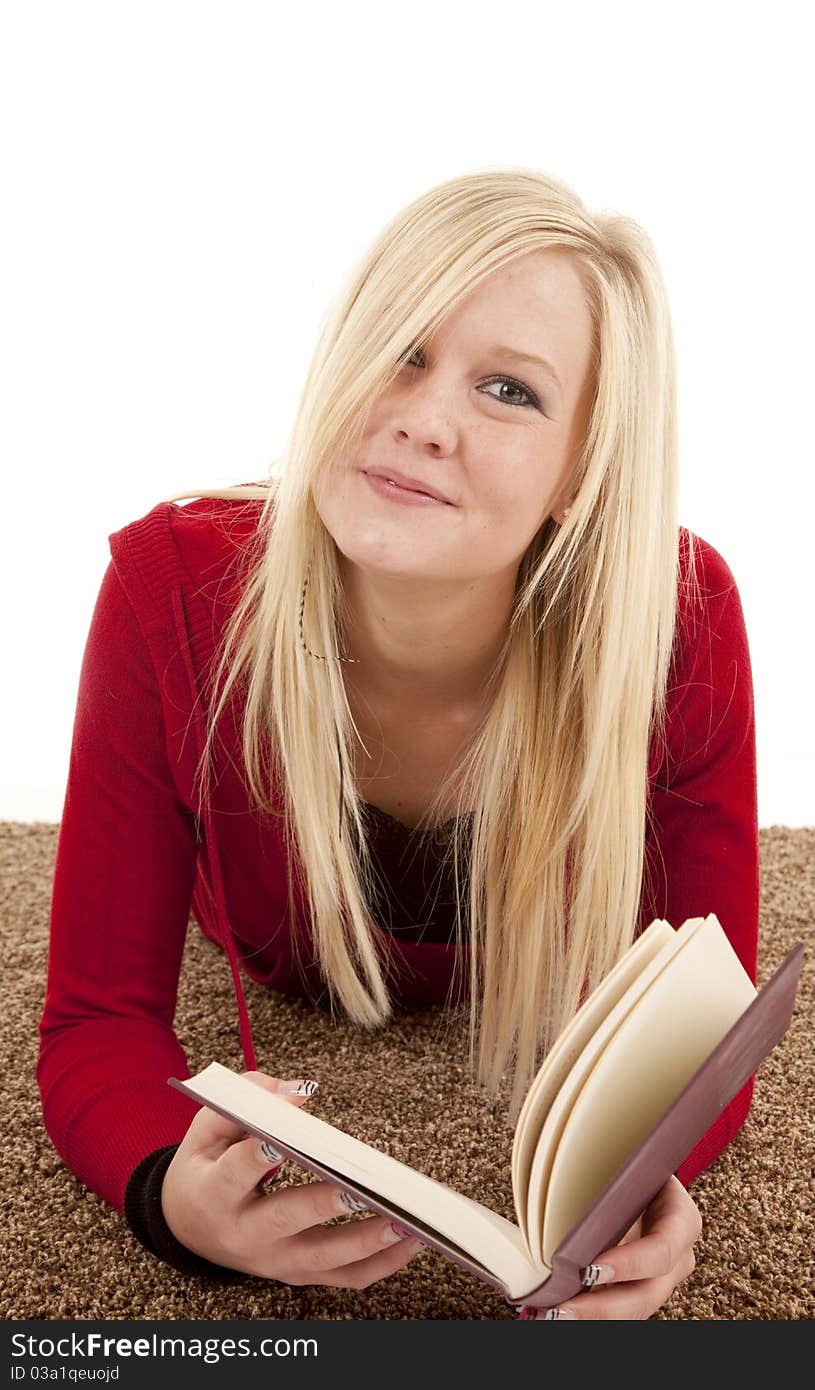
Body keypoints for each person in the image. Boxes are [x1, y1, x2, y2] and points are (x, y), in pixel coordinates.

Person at [37, 167, 759, 1320]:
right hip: (285, 969)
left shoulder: (675, 616)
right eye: (400, 349)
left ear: (581, 472)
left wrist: (642, 1179)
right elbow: (93, 1018)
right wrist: (171, 1190)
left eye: (510, 390)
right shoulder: (167, 590)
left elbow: (708, 1027)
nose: (423, 417)